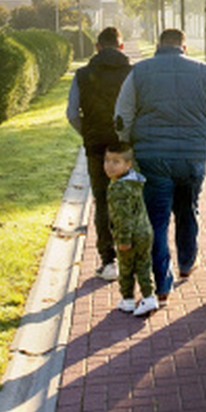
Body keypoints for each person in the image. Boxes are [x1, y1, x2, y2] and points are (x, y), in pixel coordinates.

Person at [113, 27, 206, 302]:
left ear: (159, 45)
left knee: (156, 220)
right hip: (191, 156)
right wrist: (200, 137)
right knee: (188, 209)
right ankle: (187, 263)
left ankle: (162, 285)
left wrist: (128, 146)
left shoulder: (139, 71)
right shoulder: (202, 70)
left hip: (152, 157)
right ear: (183, 47)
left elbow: (122, 114)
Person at [66, 27, 134, 280]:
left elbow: (72, 113)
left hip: (97, 148)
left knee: (103, 201)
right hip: (125, 146)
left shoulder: (83, 75)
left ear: (97, 47)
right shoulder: (133, 73)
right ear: (121, 46)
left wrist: (88, 132)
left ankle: (109, 261)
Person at [102, 143, 159, 317]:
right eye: (107, 160)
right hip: (145, 231)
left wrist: (123, 240)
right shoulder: (135, 179)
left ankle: (127, 299)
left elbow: (122, 217)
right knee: (143, 265)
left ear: (128, 165)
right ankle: (149, 297)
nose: (110, 166)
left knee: (126, 267)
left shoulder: (118, 188)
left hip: (130, 234)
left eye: (116, 162)